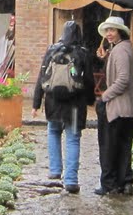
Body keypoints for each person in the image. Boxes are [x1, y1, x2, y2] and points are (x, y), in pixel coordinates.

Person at [31, 19, 94, 194]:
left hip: (53, 103)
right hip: (74, 105)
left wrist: (36, 103)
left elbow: (41, 77)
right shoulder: (82, 53)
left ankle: (55, 171)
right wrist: (90, 101)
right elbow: (89, 80)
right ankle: (71, 180)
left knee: (53, 132)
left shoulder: (52, 50)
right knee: (72, 138)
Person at [95, 15, 133, 196]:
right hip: (127, 109)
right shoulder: (123, 48)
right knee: (123, 147)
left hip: (117, 109)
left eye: (112, 30)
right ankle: (124, 182)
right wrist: (106, 58)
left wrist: (104, 96)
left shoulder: (120, 50)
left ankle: (110, 184)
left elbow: (122, 80)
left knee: (110, 148)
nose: (109, 34)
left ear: (120, 31)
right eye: (107, 30)